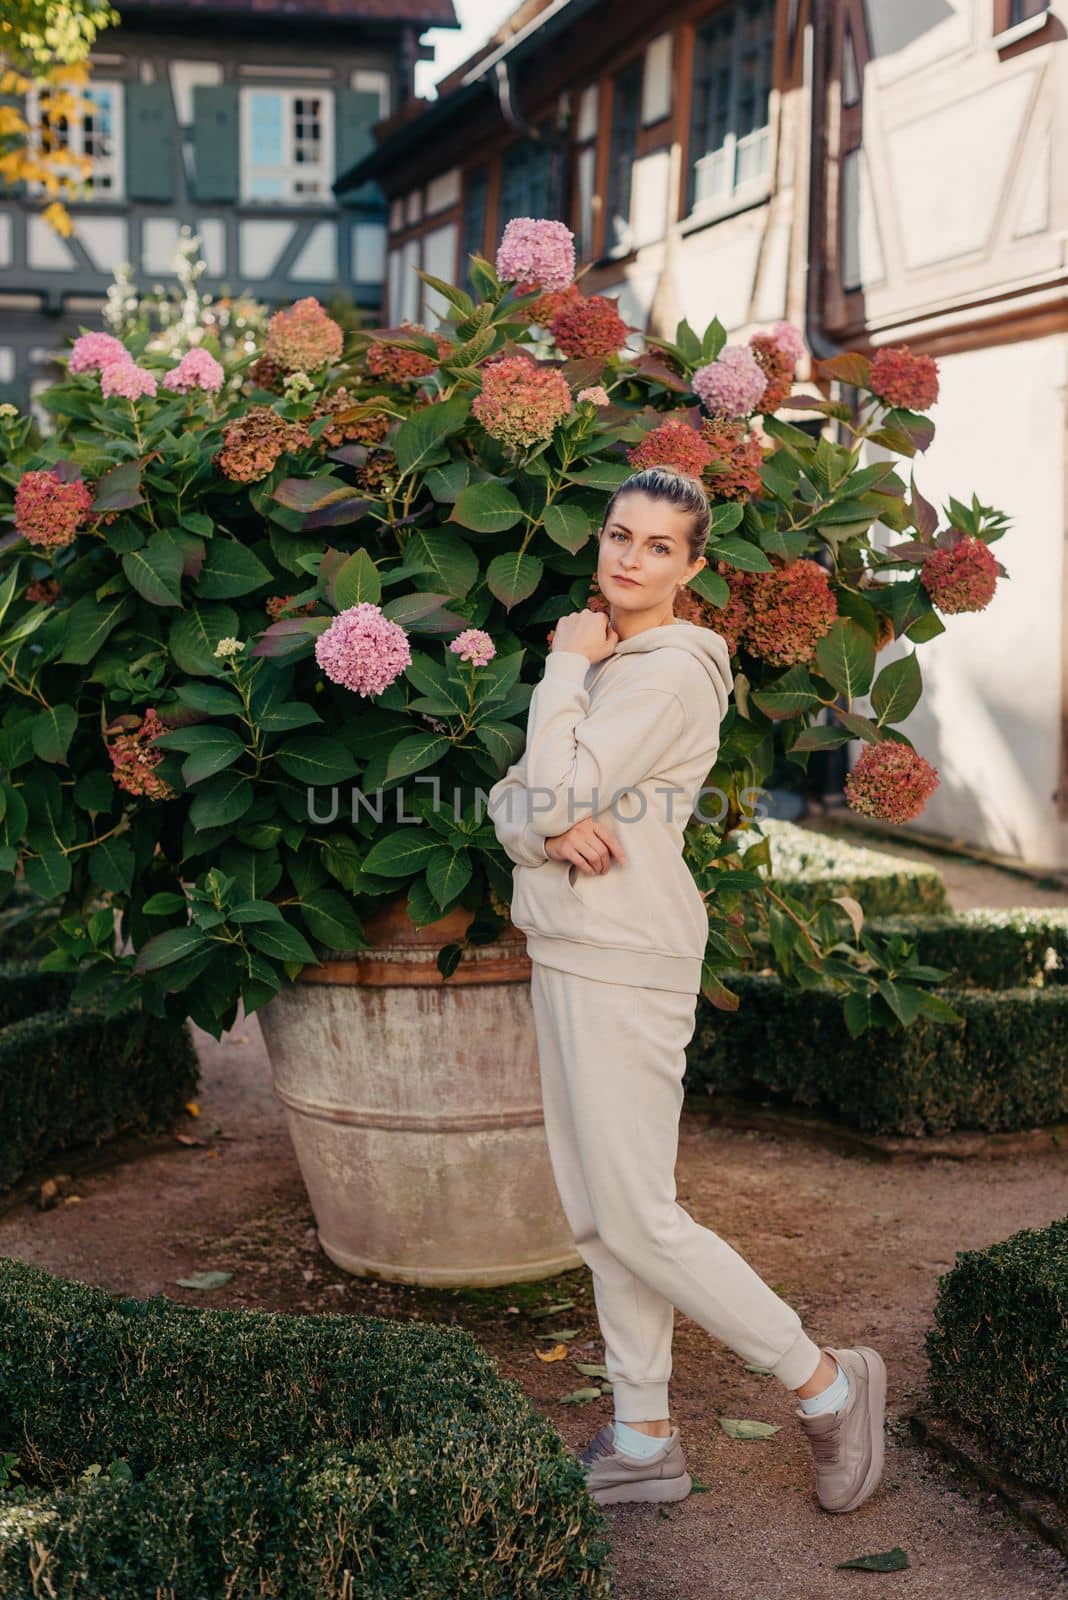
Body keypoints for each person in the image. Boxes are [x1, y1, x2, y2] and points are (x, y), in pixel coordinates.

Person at [487, 467, 887, 1511]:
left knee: (638, 1215)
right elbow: (513, 796)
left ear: (693, 566)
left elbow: (556, 782)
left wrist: (560, 675)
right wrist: (537, 820)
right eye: (621, 535)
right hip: (567, 945)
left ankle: (827, 1384)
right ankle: (642, 1436)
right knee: (600, 1216)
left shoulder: (661, 671)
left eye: (659, 546)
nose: (629, 557)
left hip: (625, 954)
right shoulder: (614, 665)